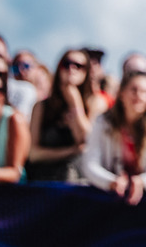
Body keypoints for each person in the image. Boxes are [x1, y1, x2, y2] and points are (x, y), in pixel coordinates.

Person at [82, 70, 146, 205]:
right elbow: (90, 165)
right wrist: (112, 182)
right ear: (122, 93)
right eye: (134, 90)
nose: (139, 96)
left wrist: (143, 182)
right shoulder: (103, 122)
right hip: (107, 200)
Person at [27, 49, 106, 182]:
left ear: (86, 72)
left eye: (78, 66)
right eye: (67, 64)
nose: (71, 69)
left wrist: (75, 102)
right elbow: (33, 154)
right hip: (43, 179)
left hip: (79, 179)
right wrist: (71, 151)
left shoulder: (96, 102)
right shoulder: (41, 106)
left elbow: (90, 141)